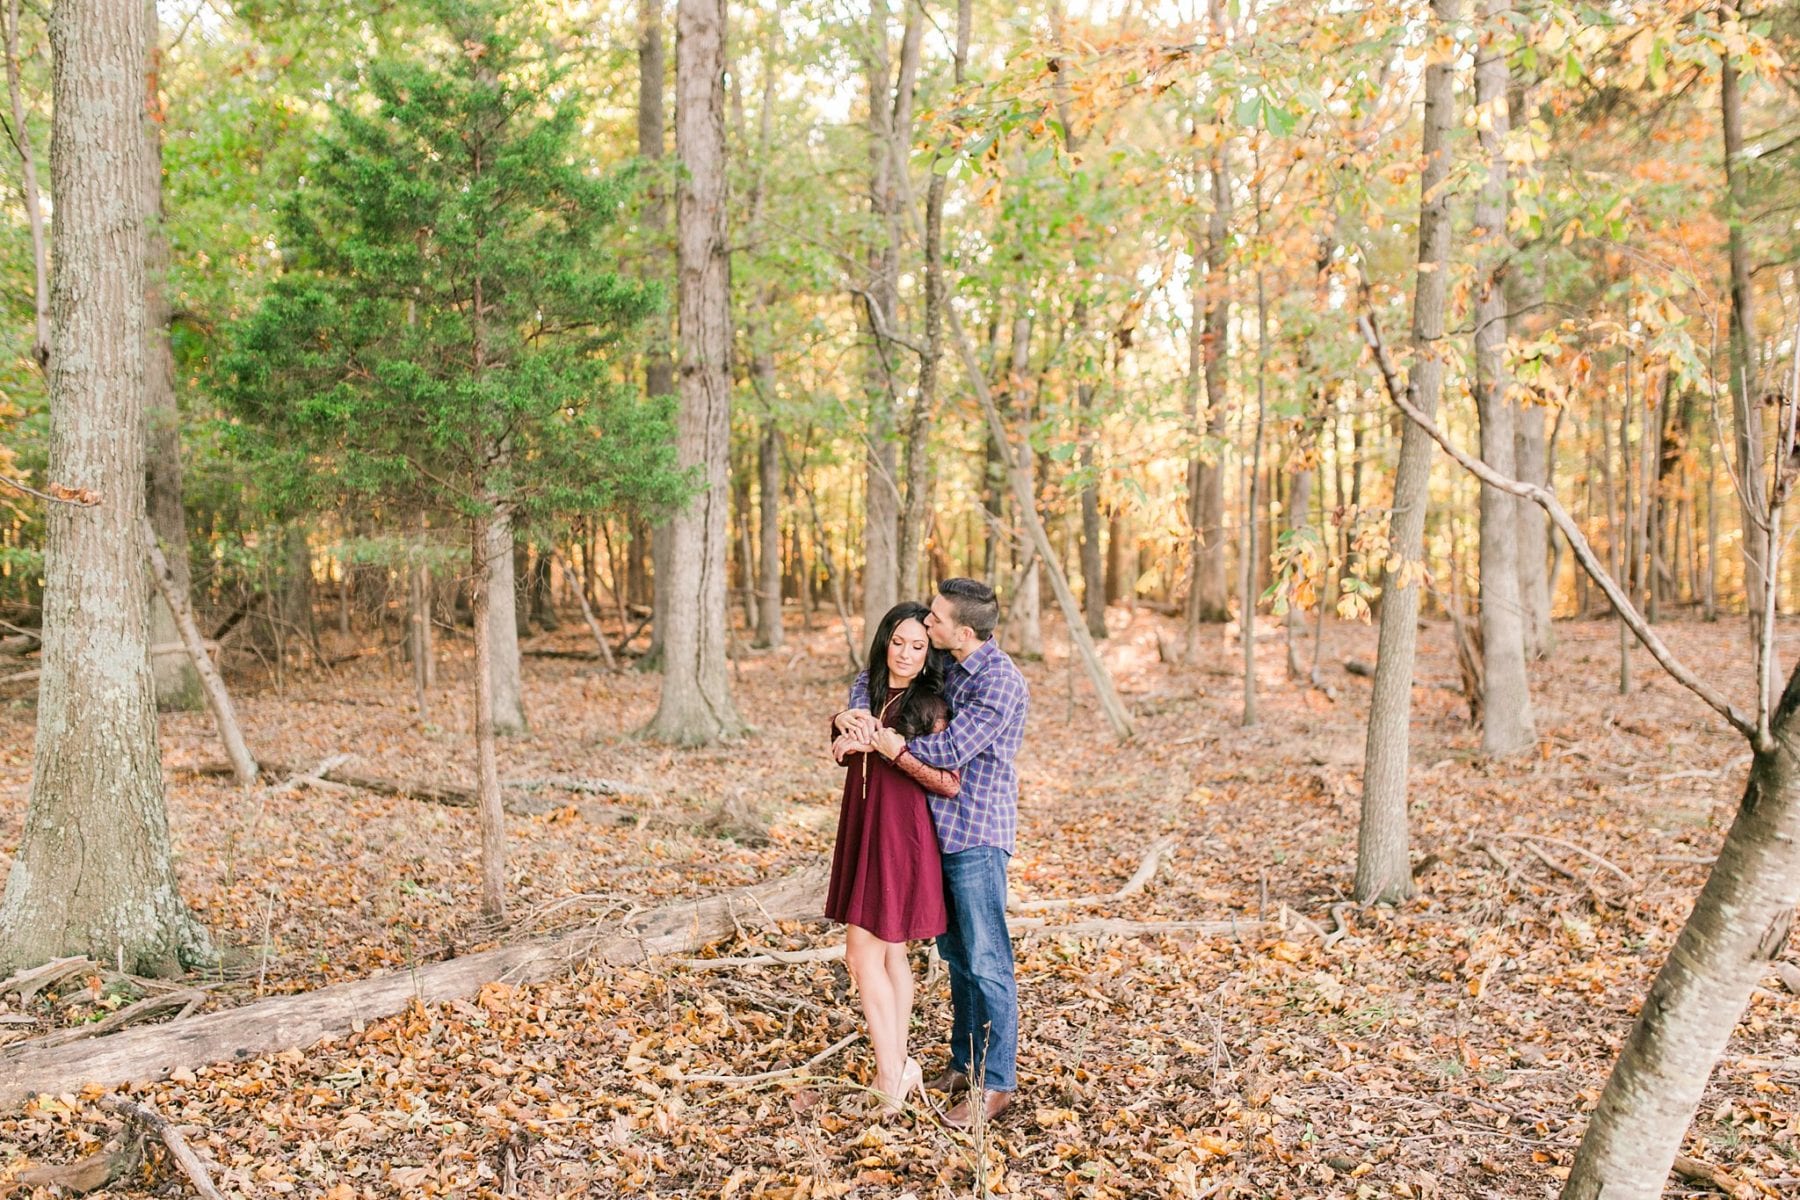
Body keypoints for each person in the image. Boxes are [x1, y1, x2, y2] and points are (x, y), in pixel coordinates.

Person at [835, 578, 1028, 1128]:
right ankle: (963, 1064)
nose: (928, 625)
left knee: (989, 960)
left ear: (962, 631)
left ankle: (995, 1083)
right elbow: (877, 687)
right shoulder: (951, 668)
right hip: (933, 834)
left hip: (976, 833)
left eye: (936, 620)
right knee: (959, 958)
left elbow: (949, 752)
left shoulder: (999, 682)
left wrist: (887, 741)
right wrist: (854, 719)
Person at [826, 601, 962, 1115]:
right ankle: (899, 1065)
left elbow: (949, 782)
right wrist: (843, 736)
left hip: (900, 833)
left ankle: (891, 1074)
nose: (905, 653)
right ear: (885, 640)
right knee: (890, 954)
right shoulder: (871, 689)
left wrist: (894, 751)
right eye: (898, 642)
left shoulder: (929, 703)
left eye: (918, 646)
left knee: (862, 956)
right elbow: (845, 737)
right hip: (863, 823)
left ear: (929, 653)